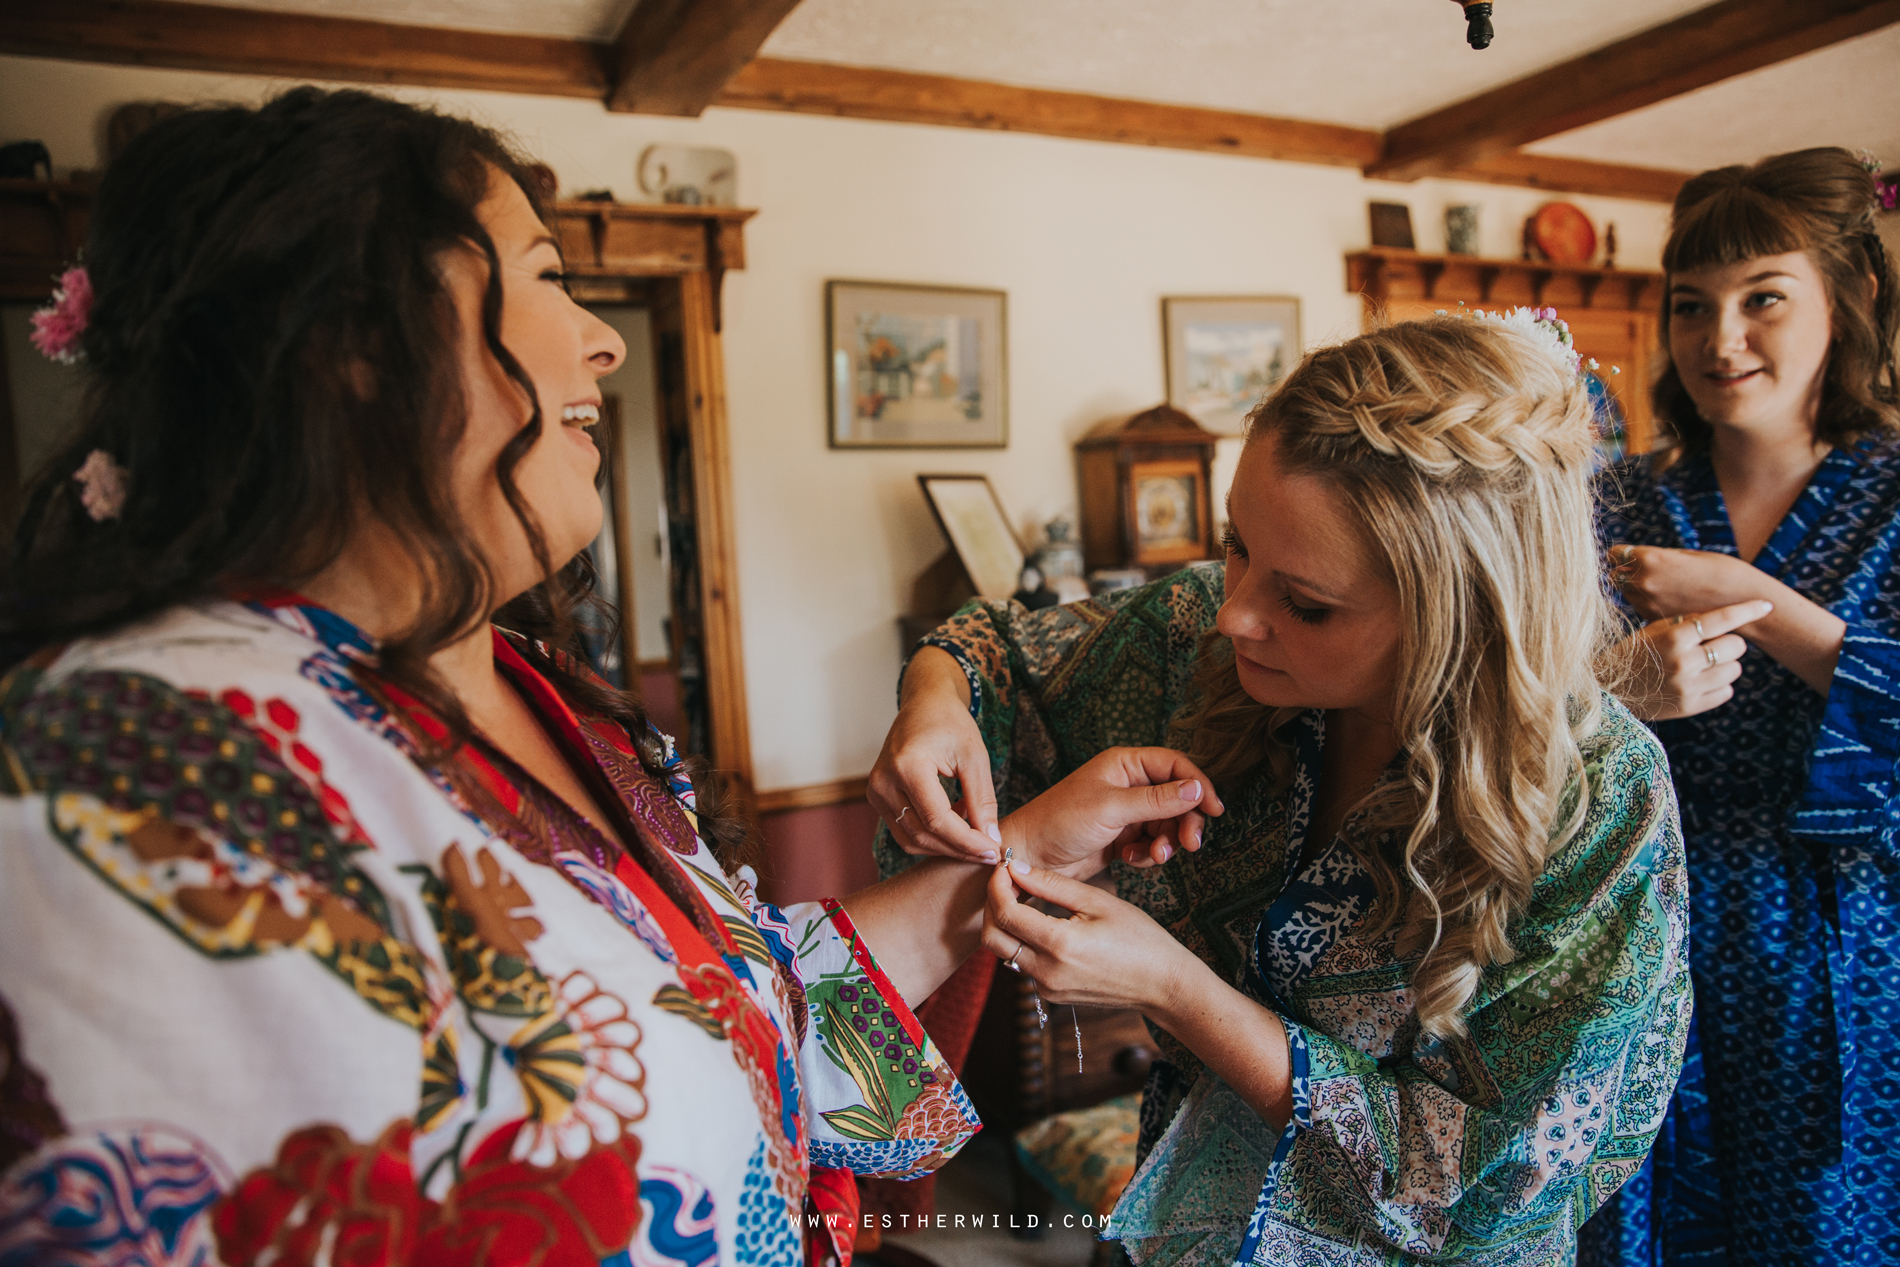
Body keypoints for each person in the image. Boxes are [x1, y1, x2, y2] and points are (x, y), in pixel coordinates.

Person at [0, 88, 1222, 1266]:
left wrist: (1025, 849)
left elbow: (748, 1013)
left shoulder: (537, 685)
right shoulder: (121, 772)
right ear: (349, 341)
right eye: (542, 275)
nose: (599, 341)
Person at [871, 315, 1691, 1264]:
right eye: (1234, 546)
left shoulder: (1604, 805)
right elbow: (995, 650)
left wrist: (1180, 991)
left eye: (1306, 604)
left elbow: (1485, 1191)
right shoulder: (1200, 640)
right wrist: (934, 699)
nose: (1237, 612)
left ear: (1461, 610)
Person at [1583, 148, 1900, 1267]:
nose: (1721, 338)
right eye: (1691, 305)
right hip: (1625, 931)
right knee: (1635, 1223)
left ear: (1847, 297)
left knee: (1814, 1227)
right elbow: (1500, 706)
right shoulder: (1613, 500)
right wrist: (1617, 691)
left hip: (1828, 959)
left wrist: (1764, 604)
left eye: (1763, 297)